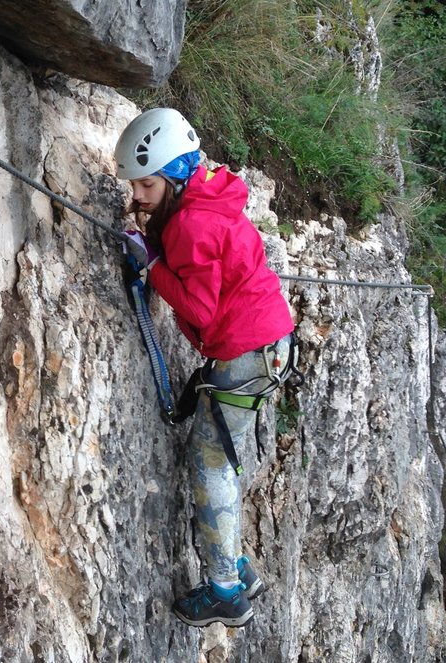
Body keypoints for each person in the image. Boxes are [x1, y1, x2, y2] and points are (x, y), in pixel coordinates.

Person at [113, 108, 296, 628]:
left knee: (210, 461)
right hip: (268, 344)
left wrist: (149, 263)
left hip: (245, 349)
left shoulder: (191, 223)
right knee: (222, 455)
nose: (138, 196)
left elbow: (199, 310)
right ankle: (236, 564)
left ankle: (225, 591)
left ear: (172, 175)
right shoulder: (207, 194)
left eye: (146, 184)